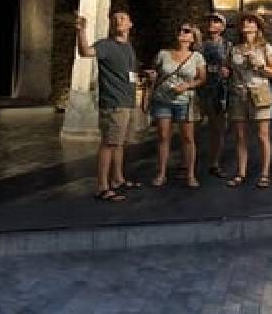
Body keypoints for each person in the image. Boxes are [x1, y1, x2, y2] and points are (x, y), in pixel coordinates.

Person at [76, 11, 142, 202]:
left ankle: (118, 179)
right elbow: (85, 52)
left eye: (122, 18)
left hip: (127, 103)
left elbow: (129, 74)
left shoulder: (128, 47)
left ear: (130, 24)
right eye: (115, 19)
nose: (118, 21)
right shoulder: (105, 45)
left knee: (119, 143)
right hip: (113, 104)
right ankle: (102, 187)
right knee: (109, 143)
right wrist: (81, 31)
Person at [148, 22, 207, 188]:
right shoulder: (163, 54)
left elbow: (202, 78)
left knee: (187, 137)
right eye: (180, 30)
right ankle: (161, 173)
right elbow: (154, 72)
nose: (182, 33)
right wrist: (151, 76)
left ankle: (190, 174)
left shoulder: (197, 57)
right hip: (163, 99)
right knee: (163, 136)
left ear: (193, 37)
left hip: (185, 101)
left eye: (186, 31)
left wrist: (187, 85)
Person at [226, 14, 272, 189]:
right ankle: (241, 172)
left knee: (262, 135)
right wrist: (226, 72)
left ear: (258, 27)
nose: (246, 24)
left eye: (251, 22)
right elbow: (229, 69)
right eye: (244, 22)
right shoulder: (234, 49)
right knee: (240, 136)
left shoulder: (266, 48)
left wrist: (260, 65)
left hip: (259, 92)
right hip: (238, 93)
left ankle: (265, 173)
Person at [198, 12, 232, 179]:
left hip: (220, 91)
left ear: (223, 27)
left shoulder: (228, 46)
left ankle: (215, 163)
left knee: (218, 129)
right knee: (193, 128)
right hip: (200, 90)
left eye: (216, 21)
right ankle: (188, 163)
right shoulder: (199, 45)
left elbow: (234, 67)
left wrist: (229, 72)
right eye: (210, 21)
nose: (212, 23)